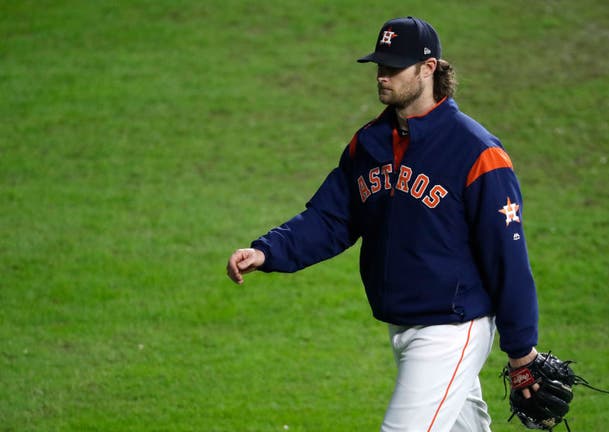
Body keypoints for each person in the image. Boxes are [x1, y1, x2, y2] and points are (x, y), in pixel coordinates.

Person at [227, 16, 540, 432]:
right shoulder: (369, 143)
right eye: (379, 66)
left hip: (451, 328)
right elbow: (332, 217)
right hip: (402, 323)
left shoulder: (476, 152)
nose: (382, 76)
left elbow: (507, 258)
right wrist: (268, 250)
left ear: (429, 69)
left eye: (394, 67)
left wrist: (521, 352)